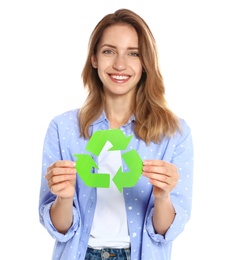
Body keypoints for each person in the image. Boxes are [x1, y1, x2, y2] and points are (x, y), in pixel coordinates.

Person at [39, 8, 194, 260]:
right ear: (94, 59)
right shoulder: (62, 128)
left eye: (133, 53)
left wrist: (164, 197)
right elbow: (59, 229)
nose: (120, 64)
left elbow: (165, 231)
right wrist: (64, 198)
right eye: (109, 51)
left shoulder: (174, 133)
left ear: (145, 63)